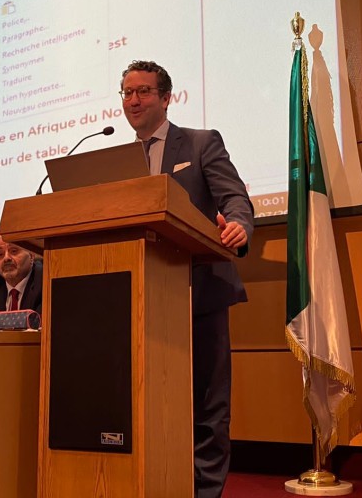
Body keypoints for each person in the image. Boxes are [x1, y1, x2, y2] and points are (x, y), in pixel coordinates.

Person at [120, 59, 252, 497]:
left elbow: (234, 196)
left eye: (142, 91)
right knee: (150, 403)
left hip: (200, 291)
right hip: (140, 296)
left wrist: (238, 226)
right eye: (126, 92)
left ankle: (204, 492)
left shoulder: (199, 143)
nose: (133, 100)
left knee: (208, 406)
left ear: (165, 97)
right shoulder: (119, 161)